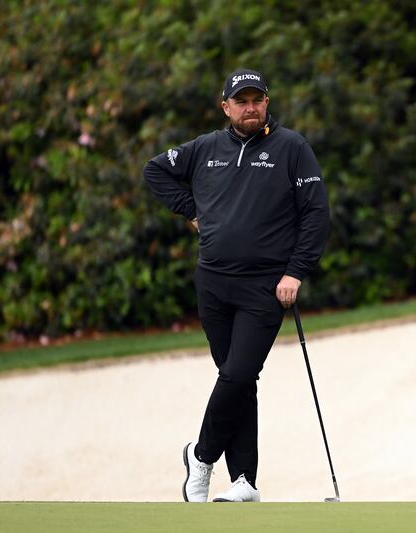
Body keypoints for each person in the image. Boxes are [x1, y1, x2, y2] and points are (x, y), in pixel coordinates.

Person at [143, 68, 330, 503]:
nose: (251, 107)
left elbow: (315, 213)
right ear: (225, 107)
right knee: (237, 381)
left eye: (257, 99)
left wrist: (296, 271)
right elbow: (155, 171)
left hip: (266, 286)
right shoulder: (206, 148)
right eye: (241, 101)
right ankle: (245, 479)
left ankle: (201, 456)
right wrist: (192, 211)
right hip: (212, 281)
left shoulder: (291, 147)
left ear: (267, 103)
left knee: (239, 372)